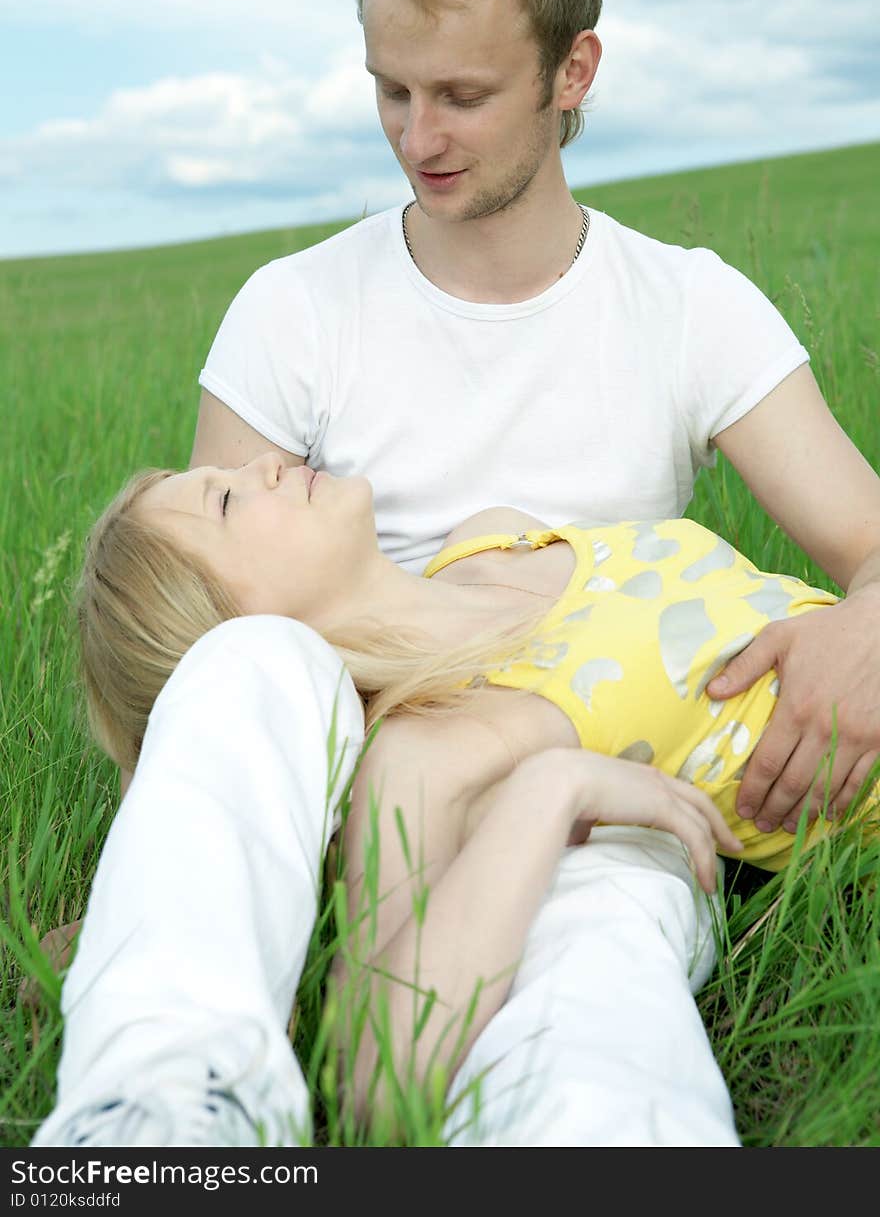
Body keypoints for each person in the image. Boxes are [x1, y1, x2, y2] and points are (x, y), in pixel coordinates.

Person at [189, 0, 880, 840]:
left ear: (573, 71)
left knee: (611, 930)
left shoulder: (688, 306)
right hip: (378, 786)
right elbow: (208, 637)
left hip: (618, 798)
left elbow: (869, 542)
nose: (416, 136)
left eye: (460, 95)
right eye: (391, 89)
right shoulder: (292, 309)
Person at [31, 454, 878, 1147]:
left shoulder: (491, 540)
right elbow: (378, 1073)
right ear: (229, 616)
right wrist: (551, 791)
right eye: (223, 501)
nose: (262, 465)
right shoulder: (432, 753)